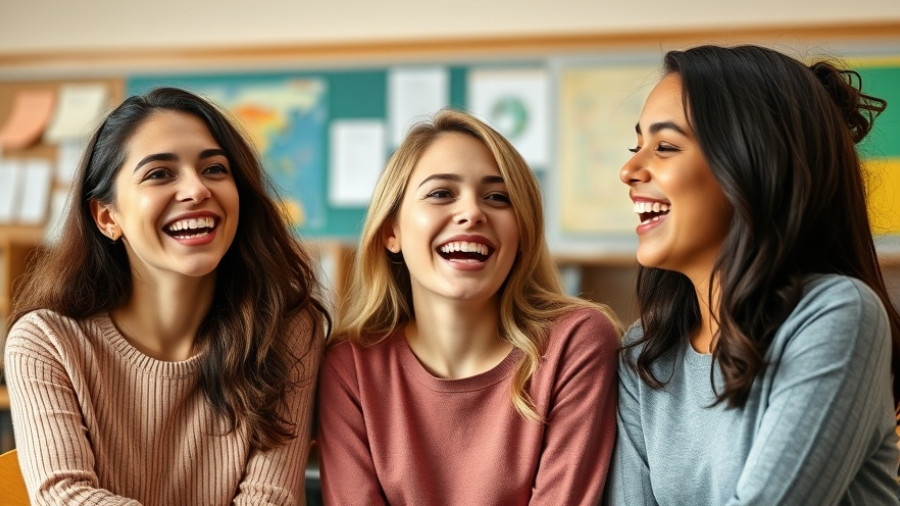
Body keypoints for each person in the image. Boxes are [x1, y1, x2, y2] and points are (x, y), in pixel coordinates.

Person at [3, 87, 328, 504]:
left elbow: (271, 497)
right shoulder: (46, 341)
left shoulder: (285, 330)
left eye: (214, 169)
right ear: (107, 217)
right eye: (160, 173)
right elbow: (67, 497)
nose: (196, 189)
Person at [607, 44, 900, 504]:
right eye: (636, 145)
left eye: (664, 146)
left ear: (752, 164)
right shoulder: (646, 352)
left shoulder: (837, 316)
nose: (629, 170)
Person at [316, 108, 620, 504]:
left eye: (498, 197)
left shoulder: (576, 342)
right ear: (392, 231)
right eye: (441, 193)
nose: (473, 213)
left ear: (523, 232)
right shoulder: (350, 367)